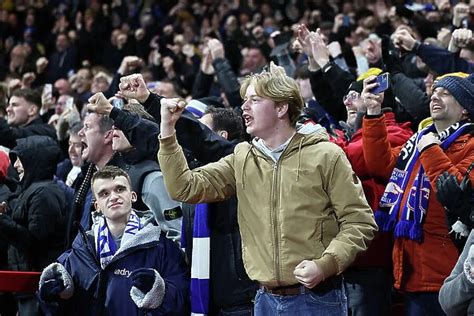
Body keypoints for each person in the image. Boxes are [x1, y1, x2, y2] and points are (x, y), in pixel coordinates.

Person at [157, 63, 377, 315]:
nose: (244, 107)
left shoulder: (326, 155)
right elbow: (184, 188)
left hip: (318, 298)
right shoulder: (242, 157)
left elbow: (359, 222)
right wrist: (168, 132)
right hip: (262, 300)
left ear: (282, 108)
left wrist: (325, 265)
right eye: (244, 100)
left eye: (255, 100)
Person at [361, 73, 474, 315]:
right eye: (434, 92)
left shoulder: (468, 145)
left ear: (465, 109)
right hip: (411, 271)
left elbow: (453, 190)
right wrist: (373, 113)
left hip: (448, 276)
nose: (436, 96)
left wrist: (431, 148)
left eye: (446, 93)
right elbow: (380, 164)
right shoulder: (418, 141)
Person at [38, 166, 189, 315]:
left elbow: (183, 296)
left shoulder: (161, 246)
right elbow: (56, 306)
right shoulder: (81, 249)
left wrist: (160, 294)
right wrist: (53, 297)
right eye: (104, 193)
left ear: (133, 196)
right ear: (97, 206)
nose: (113, 197)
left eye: (120, 189)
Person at [0, 135, 67, 315]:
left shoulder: (44, 193)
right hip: (27, 284)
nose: (15, 165)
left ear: (34, 160)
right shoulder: (31, 190)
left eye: (20, 159)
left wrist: (2, 220)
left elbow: (34, 241)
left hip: (37, 285)